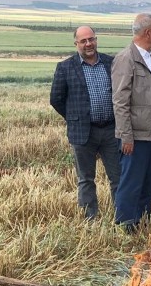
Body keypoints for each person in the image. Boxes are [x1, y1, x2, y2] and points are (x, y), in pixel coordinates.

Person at [50, 26, 121, 220]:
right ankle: (90, 220)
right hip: (82, 132)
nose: (88, 44)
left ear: (96, 40)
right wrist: (75, 118)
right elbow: (56, 99)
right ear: (76, 44)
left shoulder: (111, 63)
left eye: (91, 39)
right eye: (83, 41)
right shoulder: (65, 67)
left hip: (111, 130)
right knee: (86, 179)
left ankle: (121, 217)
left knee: (118, 178)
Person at [112, 14, 151, 230]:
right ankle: (127, 225)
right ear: (148, 32)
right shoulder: (126, 58)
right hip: (135, 135)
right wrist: (126, 136)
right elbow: (120, 100)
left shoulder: (148, 57)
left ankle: (143, 222)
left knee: (147, 181)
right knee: (132, 182)